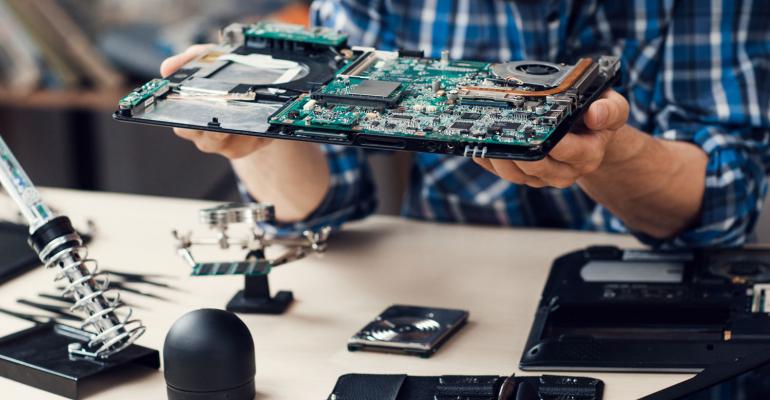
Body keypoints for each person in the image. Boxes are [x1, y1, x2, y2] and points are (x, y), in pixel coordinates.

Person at [160, 0, 770, 248]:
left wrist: (606, 154)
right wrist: (255, 134)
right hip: (453, 296)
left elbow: (725, 204)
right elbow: (325, 204)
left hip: (661, 295)